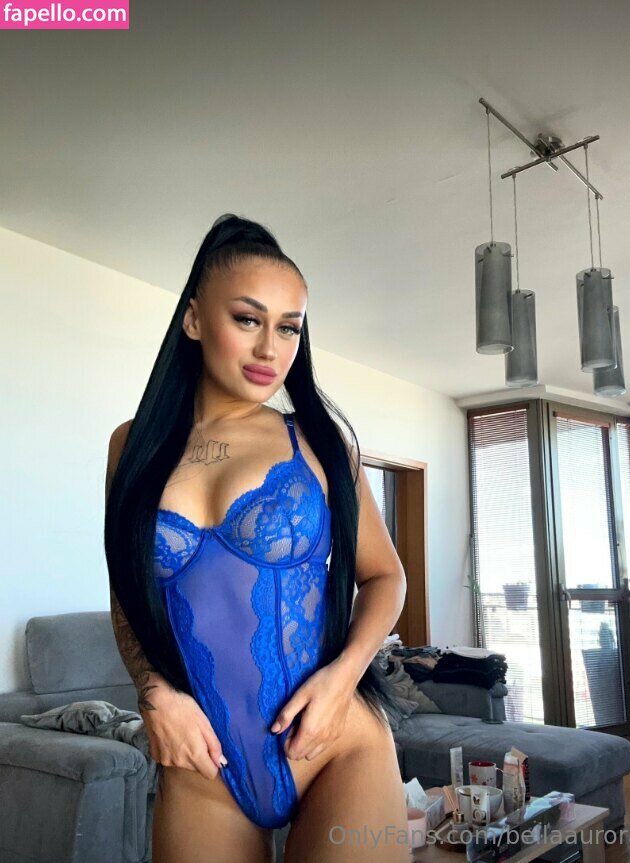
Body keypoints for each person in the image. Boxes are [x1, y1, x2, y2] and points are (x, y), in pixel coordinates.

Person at [104, 214, 411, 862]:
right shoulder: (131, 447)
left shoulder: (318, 442)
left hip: (336, 744)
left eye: (289, 327)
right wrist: (154, 693)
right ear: (194, 319)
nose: (271, 348)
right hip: (205, 765)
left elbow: (386, 575)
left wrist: (342, 679)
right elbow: (127, 595)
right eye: (247, 319)